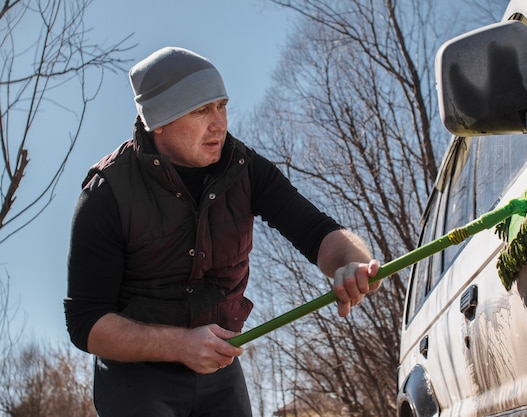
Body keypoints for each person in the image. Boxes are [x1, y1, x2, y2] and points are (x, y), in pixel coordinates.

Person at [64, 46, 380, 417]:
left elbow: (316, 231)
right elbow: (86, 323)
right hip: (135, 377)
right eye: (201, 110)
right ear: (159, 122)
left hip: (220, 369)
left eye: (221, 106)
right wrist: (180, 345)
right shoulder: (106, 193)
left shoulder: (245, 168)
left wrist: (352, 264)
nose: (220, 124)